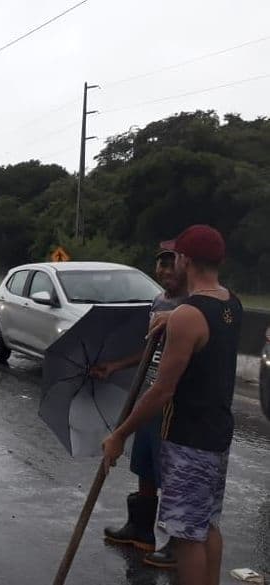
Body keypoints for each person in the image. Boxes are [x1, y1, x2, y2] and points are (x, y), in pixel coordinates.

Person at [103, 225, 242, 585]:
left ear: (185, 260)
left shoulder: (187, 316)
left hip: (188, 438)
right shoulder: (231, 302)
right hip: (217, 433)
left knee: (185, 537)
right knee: (207, 524)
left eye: (175, 257)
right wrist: (174, 319)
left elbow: (162, 391)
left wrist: (119, 434)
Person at [92, 249, 186, 568]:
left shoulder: (193, 306)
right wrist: (116, 366)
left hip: (174, 399)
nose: (165, 269)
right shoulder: (158, 302)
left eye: (172, 263)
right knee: (144, 464)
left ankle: (177, 543)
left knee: (172, 471)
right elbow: (149, 349)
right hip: (150, 393)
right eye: (161, 263)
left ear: (185, 266)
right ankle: (141, 530)